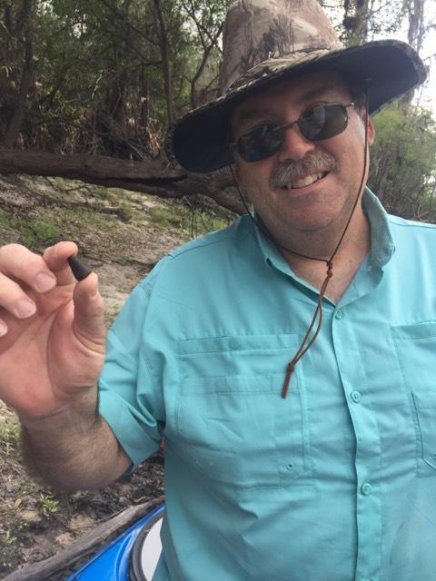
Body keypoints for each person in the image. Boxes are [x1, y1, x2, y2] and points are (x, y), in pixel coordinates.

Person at [0, 0, 433, 579]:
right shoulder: (175, 293)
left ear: (366, 124)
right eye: (259, 137)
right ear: (237, 167)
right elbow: (89, 462)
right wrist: (53, 412)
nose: (296, 147)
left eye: (321, 115)